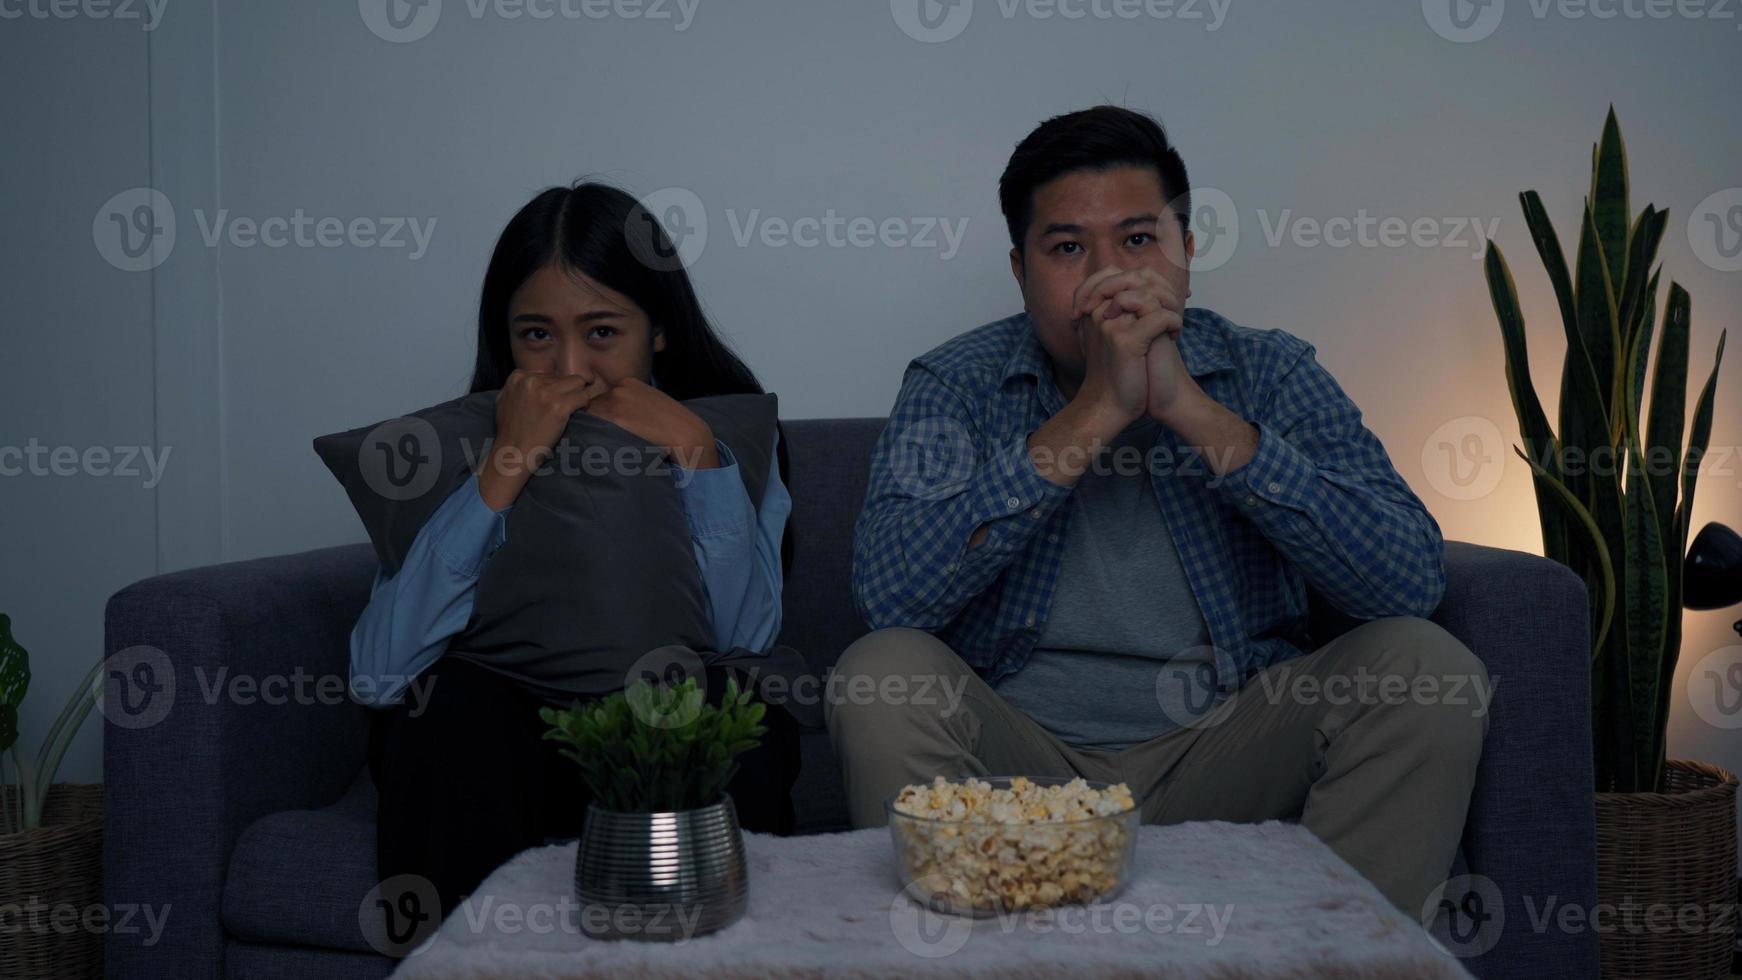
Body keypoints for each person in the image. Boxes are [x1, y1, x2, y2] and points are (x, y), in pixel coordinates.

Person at [829, 106, 1488, 914]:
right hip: (1018, 765)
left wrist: (1195, 413)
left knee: (1427, 669)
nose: (1110, 278)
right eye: (1069, 248)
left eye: (1138, 241)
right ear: (1019, 268)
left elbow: (1408, 582)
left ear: (1187, 250)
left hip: (1225, 750)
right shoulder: (954, 382)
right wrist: (1095, 413)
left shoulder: (1270, 372)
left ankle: (1332, 960)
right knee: (880, 676)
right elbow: (890, 599)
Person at [352, 182, 801, 917]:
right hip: (508, 749)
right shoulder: (455, 447)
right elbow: (377, 674)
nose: (569, 371)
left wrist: (694, 452)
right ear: (506, 340)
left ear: (658, 331)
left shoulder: (728, 440)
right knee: (448, 705)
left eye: (601, 333)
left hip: (656, 733)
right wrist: (507, 463)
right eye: (536, 335)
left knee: (731, 707)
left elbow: (740, 639)